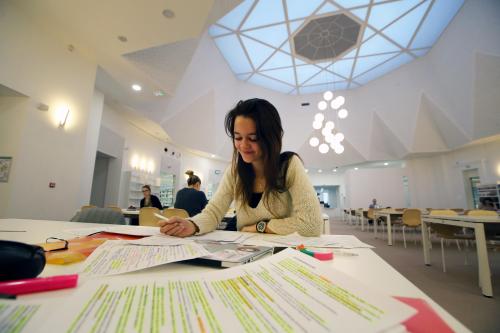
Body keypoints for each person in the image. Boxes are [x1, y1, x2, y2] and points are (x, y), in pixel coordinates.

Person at [159, 98, 323, 237]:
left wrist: (260, 227)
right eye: (238, 137)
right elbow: (214, 212)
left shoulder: (289, 165)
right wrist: (192, 225)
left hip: (282, 256)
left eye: (253, 138)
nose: (243, 145)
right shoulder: (235, 172)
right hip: (244, 253)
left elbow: (312, 224)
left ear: (270, 138)